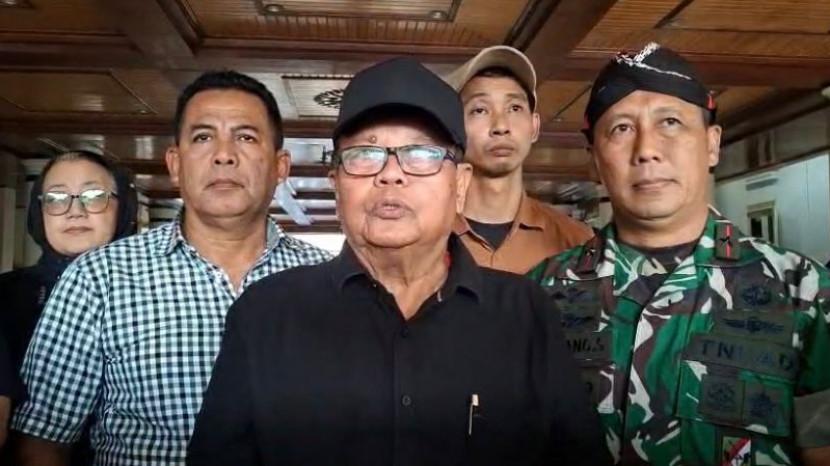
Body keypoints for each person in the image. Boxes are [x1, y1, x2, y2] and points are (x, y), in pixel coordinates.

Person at [187, 57, 610, 466]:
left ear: (460, 185)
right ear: (336, 185)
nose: (391, 174)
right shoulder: (263, 315)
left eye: (422, 154)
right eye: (365, 154)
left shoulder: (526, 313)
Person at [11, 71, 332, 466]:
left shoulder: (328, 281)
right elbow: (42, 442)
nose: (224, 155)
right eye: (203, 137)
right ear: (175, 164)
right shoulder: (99, 278)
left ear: (281, 167)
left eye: (246, 137)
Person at [536, 42, 830, 465]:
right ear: (594, 161)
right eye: (621, 128)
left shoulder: (806, 293)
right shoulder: (537, 295)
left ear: (712, 144)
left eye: (670, 122)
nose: (647, 149)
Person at [0, 150, 138, 463]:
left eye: (94, 196)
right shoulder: (5, 296)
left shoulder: (153, 295)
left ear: (124, 209)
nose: (75, 211)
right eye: (56, 198)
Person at [445, 45, 592, 275]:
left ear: (534, 126)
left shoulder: (577, 241)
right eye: (480, 110)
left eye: (514, 108)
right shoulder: (422, 236)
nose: (501, 126)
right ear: (453, 128)